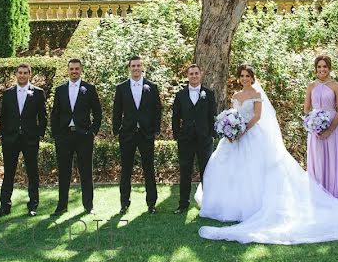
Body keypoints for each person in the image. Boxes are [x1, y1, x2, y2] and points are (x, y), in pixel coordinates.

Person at [196, 63, 338, 244]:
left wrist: (243, 130)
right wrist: (231, 129)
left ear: (252, 78)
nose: (244, 78)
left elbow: (256, 116)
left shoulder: (256, 93)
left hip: (251, 133)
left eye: (248, 76)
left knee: (256, 171)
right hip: (235, 138)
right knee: (230, 170)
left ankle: (253, 207)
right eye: (242, 76)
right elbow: (235, 114)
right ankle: (231, 206)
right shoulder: (235, 96)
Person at [50, 58, 102, 216]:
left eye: (77, 69)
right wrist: (56, 135)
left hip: (84, 136)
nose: (74, 71)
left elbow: (98, 113)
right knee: (64, 172)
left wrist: (92, 131)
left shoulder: (89, 89)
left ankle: (88, 205)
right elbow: (55, 114)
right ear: (68, 70)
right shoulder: (60, 90)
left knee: (86, 172)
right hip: (64, 137)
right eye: (71, 69)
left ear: (81, 70)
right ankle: (62, 206)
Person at [0, 63, 47, 217]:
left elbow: (42, 117)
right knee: (8, 173)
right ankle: (4, 206)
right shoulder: (8, 93)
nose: (22, 75)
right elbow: (3, 115)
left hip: (30, 139)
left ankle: (33, 205)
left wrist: (38, 134)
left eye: (25, 73)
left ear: (30, 74)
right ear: (15, 74)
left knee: (32, 173)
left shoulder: (38, 93)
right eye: (20, 73)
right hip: (10, 139)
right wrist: (2, 134)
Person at [112, 55, 162, 215]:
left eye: (138, 65)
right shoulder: (121, 88)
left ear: (142, 67)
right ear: (129, 68)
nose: (135, 68)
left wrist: (155, 130)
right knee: (126, 170)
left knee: (149, 169)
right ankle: (124, 203)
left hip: (146, 134)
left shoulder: (151, 87)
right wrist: (116, 130)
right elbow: (117, 111)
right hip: (127, 134)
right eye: (133, 66)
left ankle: (151, 203)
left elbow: (157, 110)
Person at [304, 54, 338, 200]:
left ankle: (335, 194)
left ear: (329, 68)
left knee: (333, 159)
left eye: (324, 66)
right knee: (318, 160)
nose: (322, 69)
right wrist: (313, 122)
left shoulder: (335, 85)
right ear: (315, 69)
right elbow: (306, 108)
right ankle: (318, 196)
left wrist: (330, 128)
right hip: (316, 129)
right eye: (319, 67)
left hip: (333, 126)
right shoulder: (311, 86)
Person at [171, 64, 216, 214]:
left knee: (207, 173)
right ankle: (183, 204)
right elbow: (175, 117)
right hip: (186, 140)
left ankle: (208, 204)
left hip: (204, 140)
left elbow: (212, 116)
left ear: (200, 74)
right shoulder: (180, 95)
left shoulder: (209, 94)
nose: (194, 76)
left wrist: (210, 134)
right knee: (185, 172)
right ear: (187, 76)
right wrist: (177, 135)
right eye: (191, 74)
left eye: (196, 73)